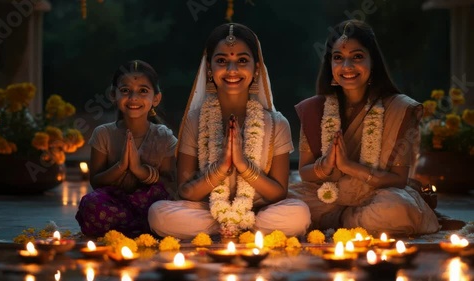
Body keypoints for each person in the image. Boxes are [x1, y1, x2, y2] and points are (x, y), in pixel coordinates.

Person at [148, 23, 311, 240]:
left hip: (259, 211)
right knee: (158, 214)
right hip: (208, 212)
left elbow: (278, 192)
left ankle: (242, 225)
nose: (232, 70)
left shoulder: (276, 123)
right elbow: (185, 191)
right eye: (222, 61)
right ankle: (237, 229)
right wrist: (220, 168)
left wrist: (243, 165)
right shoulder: (195, 120)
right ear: (209, 69)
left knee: (298, 214)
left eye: (242, 61)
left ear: (256, 69)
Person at [289, 20, 439, 236]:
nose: (347, 66)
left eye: (357, 57)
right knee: (283, 207)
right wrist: (325, 166)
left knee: (399, 210)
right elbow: (305, 173)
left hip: (377, 196)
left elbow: (398, 179)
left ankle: (336, 221)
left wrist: (349, 167)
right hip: (325, 197)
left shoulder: (399, 109)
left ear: (373, 62)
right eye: (338, 58)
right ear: (330, 64)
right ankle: (347, 220)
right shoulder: (315, 109)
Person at [76, 60, 177, 238]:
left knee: (163, 206)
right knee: (91, 203)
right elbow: (96, 182)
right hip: (115, 205)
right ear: (113, 95)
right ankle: (143, 228)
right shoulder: (103, 133)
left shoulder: (163, 137)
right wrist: (121, 167)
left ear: (156, 98)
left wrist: (139, 170)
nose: (133, 98)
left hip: (150, 207)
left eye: (143, 91)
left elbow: (168, 184)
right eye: (125, 90)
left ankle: (136, 226)